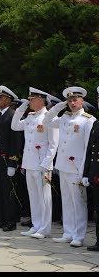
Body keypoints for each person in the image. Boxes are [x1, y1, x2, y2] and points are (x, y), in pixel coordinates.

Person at [43, 86, 96, 247]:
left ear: (82, 101)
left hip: (77, 167)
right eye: (70, 100)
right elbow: (47, 122)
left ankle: (78, 236)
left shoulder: (88, 120)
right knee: (66, 201)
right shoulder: (65, 118)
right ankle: (68, 232)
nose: (72, 103)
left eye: (75, 100)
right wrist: (58, 107)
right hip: (63, 166)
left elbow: (88, 147)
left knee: (78, 202)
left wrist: (84, 171)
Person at [12, 87, 59, 239]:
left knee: (44, 198)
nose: (30, 102)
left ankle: (44, 228)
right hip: (29, 163)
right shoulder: (30, 117)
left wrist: (46, 164)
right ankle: (36, 225)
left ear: (41, 100)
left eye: (32, 100)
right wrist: (21, 108)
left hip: (42, 165)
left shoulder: (49, 118)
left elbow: (53, 144)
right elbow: (14, 126)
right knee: (33, 196)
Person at [0, 85, 22, 232]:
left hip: (7, 160)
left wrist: (13, 162)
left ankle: (10, 220)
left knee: (8, 192)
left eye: (0, 98)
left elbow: (16, 141)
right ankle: (1, 218)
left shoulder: (13, 115)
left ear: (8, 100)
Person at [83, 86, 99, 251]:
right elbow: (90, 150)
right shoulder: (96, 123)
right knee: (97, 209)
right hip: (95, 172)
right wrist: (87, 172)